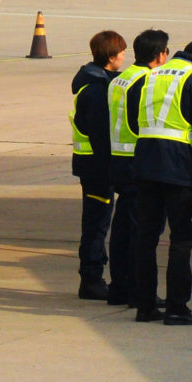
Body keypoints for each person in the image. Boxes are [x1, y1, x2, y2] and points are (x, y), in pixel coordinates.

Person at [126, 32, 192, 326]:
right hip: (178, 167)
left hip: (145, 163)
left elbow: (133, 119)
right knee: (181, 239)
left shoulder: (148, 77)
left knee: (146, 237)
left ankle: (145, 306)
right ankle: (177, 307)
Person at [68, 29, 126, 299]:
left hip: (91, 165)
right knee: (96, 224)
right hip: (96, 168)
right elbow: (101, 136)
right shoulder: (95, 91)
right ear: (111, 56)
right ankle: (91, 279)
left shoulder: (97, 81)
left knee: (97, 221)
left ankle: (92, 276)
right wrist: (112, 170)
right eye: (122, 53)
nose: (125, 58)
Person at [100, 33, 152, 306]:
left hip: (118, 158)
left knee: (121, 229)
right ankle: (135, 289)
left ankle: (119, 286)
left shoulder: (120, 79)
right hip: (135, 161)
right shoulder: (144, 81)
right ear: (160, 55)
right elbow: (142, 121)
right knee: (137, 232)